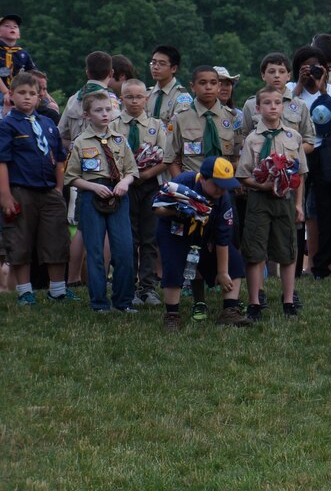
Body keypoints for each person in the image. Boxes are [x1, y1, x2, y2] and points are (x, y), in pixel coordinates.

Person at [163, 65, 239, 320]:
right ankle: (198, 301)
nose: (209, 87)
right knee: (190, 245)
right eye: (203, 83)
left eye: (214, 82)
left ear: (220, 86)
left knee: (223, 240)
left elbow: (237, 156)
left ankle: (230, 302)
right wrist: (183, 190)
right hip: (192, 190)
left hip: (222, 194)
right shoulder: (181, 118)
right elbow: (171, 158)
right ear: (193, 86)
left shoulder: (231, 117)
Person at [235, 86, 308, 320]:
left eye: (277, 102)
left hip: (284, 200)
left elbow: (301, 174)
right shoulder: (252, 139)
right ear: (257, 109)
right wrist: (262, 185)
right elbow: (243, 175)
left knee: (287, 249)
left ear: (283, 107)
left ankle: (288, 300)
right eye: (267, 103)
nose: (273, 107)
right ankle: (255, 301)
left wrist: (298, 204)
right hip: (259, 199)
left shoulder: (292, 137)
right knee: (255, 249)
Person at [0, 72, 73, 305]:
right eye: (21, 93)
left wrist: (59, 188)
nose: (27, 98)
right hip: (20, 189)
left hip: (49, 189)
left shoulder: (48, 124)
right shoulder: (7, 125)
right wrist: (5, 195)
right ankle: (24, 291)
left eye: (32, 94)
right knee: (20, 239)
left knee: (57, 238)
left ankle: (58, 289)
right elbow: (2, 162)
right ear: (11, 95)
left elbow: (60, 158)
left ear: (40, 96)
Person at [155, 156, 252, 330]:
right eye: (217, 185)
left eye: (226, 187)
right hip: (175, 231)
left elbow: (223, 237)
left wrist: (222, 272)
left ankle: (230, 310)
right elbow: (157, 207)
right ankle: (172, 315)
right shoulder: (184, 182)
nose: (221, 190)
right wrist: (179, 210)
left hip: (205, 235)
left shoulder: (223, 198)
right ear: (204, 178)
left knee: (235, 260)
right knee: (173, 264)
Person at [65, 90, 138, 313]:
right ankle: (99, 303)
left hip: (118, 195)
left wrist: (125, 182)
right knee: (95, 252)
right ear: (87, 115)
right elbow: (70, 177)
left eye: (108, 109)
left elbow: (132, 170)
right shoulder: (80, 142)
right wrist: (94, 186)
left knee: (124, 250)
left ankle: (122, 302)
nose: (104, 114)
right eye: (98, 110)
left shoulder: (119, 139)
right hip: (92, 196)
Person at [292, 45, 331, 280]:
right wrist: (299, 85)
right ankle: (293, 266)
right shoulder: (290, 89)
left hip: (325, 152)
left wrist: (321, 87)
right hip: (297, 151)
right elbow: (282, 109)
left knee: (327, 211)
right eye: (307, 66)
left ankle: (322, 267)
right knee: (295, 208)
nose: (311, 71)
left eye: (316, 67)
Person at [111, 79, 168, 306]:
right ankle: (129, 286)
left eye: (139, 97)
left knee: (150, 236)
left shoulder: (156, 125)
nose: (134, 101)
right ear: (121, 99)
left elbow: (167, 156)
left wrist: (145, 174)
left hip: (148, 184)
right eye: (129, 97)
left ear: (147, 99)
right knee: (127, 238)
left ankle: (148, 287)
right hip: (123, 187)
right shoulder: (114, 125)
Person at [241, 53, 316, 153]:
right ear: (263, 75)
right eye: (271, 72)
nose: (277, 75)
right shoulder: (251, 104)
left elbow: (309, 143)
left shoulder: (300, 105)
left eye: (281, 72)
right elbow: (242, 138)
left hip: (291, 164)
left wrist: (288, 152)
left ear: (288, 76)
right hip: (258, 163)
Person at [58, 53, 121, 148]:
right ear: (111, 73)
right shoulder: (109, 99)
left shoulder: (73, 99)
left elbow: (60, 136)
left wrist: (76, 147)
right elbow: (118, 132)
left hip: (76, 158)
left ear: (87, 73)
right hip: (103, 158)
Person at [146, 45, 193, 125]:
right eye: (153, 63)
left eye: (162, 64)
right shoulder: (146, 93)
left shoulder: (182, 96)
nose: (155, 67)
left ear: (173, 68)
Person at [0, 14, 36, 96]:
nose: (12, 28)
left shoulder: (22, 53)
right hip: (3, 92)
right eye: (7, 26)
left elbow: (33, 74)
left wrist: (44, 93)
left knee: (51, 106)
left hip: (18, 93)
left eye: (15, 26)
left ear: (19, 34)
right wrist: (6, 92)